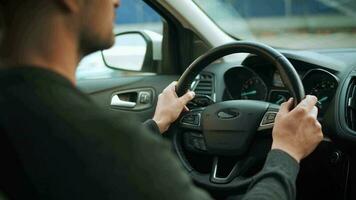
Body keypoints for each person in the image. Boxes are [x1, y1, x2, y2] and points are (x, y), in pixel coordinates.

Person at [0, 0, 323, 199]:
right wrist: (285, 152)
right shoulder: (107, 142)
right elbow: (107, 154)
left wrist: (156, 123)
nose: (117, 2)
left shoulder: (24, 114)